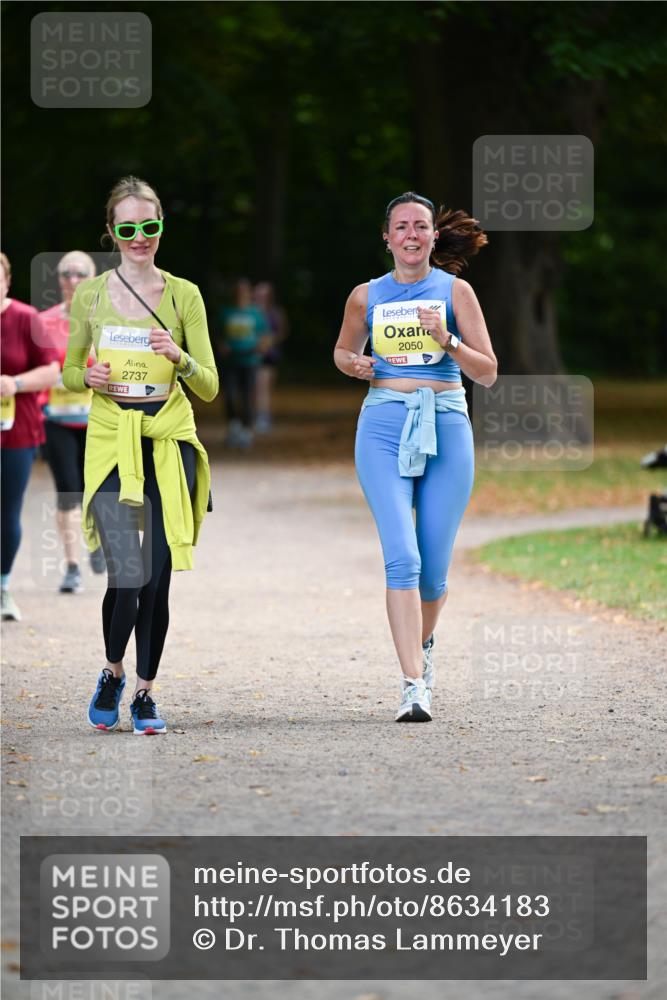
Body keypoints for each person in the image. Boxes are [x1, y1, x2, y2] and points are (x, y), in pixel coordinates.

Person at [63, 176, 218, 734]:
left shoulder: (185, 295)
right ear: (112, 232)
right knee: (125, 576)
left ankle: (146, 693)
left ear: (160, 228)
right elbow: (70, 369)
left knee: (156, 579)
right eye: (127, 228)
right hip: (111, 441)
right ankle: (112, 672)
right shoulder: (91, 294)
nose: (139, 237)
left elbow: (209, 387)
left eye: (148, 226)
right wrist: (90, 376)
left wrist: (177, 356)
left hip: (166, 443)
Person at [333, 192, 496, 722]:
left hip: (446, 423)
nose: (410, 234)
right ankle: (412, 685)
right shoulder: (366, 295)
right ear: (387, 237)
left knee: (432, 575)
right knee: (401, 557)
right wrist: (353, 365)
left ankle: (421, 647)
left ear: (432, 236)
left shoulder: (456, 291)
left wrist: (445, 337)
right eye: (400, 226)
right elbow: (341, 350)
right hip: (381, 425)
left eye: (420, 226)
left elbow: (487, 371)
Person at [41, 251, 106, 594]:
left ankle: (96, 539)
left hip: (99, 419)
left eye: (81, 273)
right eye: (66, 273)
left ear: (92, 278)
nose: (73, 280)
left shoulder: (109, 320)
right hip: (57, 420)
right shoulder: (44, 322)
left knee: (98, 491)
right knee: (68, 492)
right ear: (59, 279)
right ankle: (71, 567)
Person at [0, 251, 60, 621]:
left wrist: (15, 382)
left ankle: (3, 587)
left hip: (16, 431)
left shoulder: (26, 318)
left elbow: (53, 371)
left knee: (7, 513)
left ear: (6, 280)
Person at [217, 278, 269, 448]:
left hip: (250, 361)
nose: (240, 294)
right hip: (231, 361)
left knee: (247, 397)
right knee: (230, 395)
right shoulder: (226, 312)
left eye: (243, 290)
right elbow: (216, 333)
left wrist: (261, 347)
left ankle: (247, 430)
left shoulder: (255, 313)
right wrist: (221, 345)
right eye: (237, 290)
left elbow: (266, 335)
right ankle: (234, 427)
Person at [253, 281, 289, 433]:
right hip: (252, 353)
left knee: (264, 385)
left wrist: (271, 340)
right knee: (255, 386)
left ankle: (263, 415)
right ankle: (256, 414)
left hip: (270, 355)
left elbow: (283, 331)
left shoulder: (276, 312)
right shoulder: (251, 312)